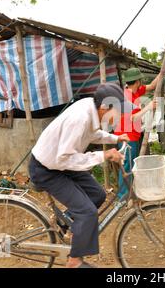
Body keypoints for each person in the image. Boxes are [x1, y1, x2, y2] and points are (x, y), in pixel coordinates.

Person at [28, 83, 131, 268]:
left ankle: (66, 221)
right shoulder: (80, 118)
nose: (119, 116)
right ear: (104, 108)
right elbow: (64, 159)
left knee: (97, 195)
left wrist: (115, 138)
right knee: (87, 212)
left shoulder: (90, 108)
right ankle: (74, 262)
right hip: (47, 169)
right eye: (117, 112)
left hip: (61, 163)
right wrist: (105, 155)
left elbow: (91, 135)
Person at [113, 68, 162, 198]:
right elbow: (133, 118)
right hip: (126, 137)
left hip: (132, 135)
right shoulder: (127, 96)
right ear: (138, 81)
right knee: (127, 165)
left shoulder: (135, 91)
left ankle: (129, 192)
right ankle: (123, 196)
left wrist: (161, 74)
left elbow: (151, 86)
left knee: (130, 164)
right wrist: (148, 107)